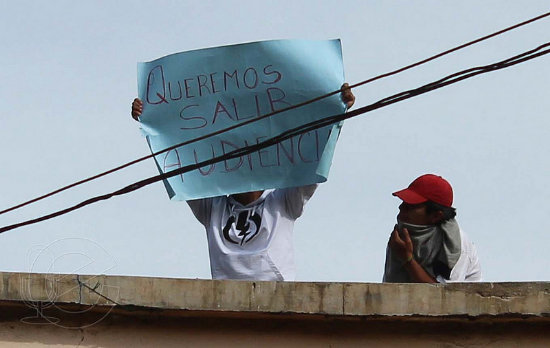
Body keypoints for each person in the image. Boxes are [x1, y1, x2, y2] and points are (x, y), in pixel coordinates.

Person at [131, 84, 355, 281]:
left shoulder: (283, 203)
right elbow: (177, 165)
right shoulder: (212, 207)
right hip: (224, 310)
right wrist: (152, 122)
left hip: (277, 302)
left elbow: (315, 161)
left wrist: (338, 113)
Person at [383, 174, 482, 283]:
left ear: (436, 216)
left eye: (411, 206)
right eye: (404, 202)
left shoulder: (456, 246)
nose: (401, 207)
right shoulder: (401, 236)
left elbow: (445, 296)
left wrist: (408, 260)